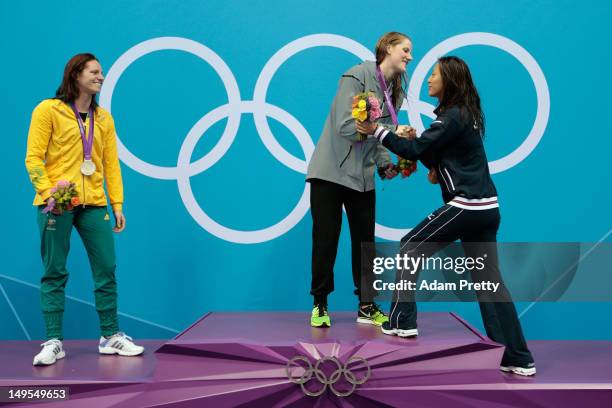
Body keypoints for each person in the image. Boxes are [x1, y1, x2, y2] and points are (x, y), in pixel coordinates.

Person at [356, 56, 536, 376]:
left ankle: (402, 323)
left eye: (434, 75)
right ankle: (518, 357)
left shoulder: (452, 117)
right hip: (487, 209)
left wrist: (377, 131)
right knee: (489, 283)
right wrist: (431, 163)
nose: (428, 80)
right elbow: (433, 154)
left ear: (449, 81)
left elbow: (415, 151)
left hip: (468, 206)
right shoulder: (460, 115)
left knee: (411, 244)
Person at [25, 53, 144, 366]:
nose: (101, 77)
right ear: (76, 75)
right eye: (94, 72)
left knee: (106, 268)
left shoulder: (103, 118)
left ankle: (110, 336)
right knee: (54, 272)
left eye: (101, 72)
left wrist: (116, 203)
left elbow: (110, 164)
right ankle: (53, 341)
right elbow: (33, 158)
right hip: (57, 204)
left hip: (93, 204)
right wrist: (48, 191)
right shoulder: (47, 110)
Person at [306, 32, 415, 328]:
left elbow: (379, 139)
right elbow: (345, 125)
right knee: (326, 240)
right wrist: (393, 131)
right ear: (388, 48)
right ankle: (320, 304)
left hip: (362, 177)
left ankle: (366, 306)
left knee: (366, 243)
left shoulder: (396, 91)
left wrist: (384, 165)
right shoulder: (357, 76)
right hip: (330, 172)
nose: (409, 56)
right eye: (405, 50)